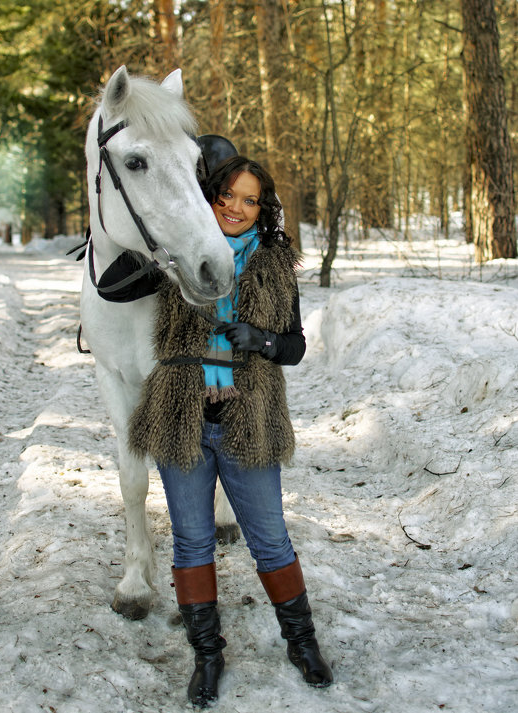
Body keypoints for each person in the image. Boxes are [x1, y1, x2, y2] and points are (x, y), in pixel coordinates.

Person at [129, 154, 332, 707]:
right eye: (227, 196)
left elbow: (294, 347)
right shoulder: (171, 255)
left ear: (262, 208)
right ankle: (207, 655)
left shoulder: (272, 262)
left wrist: (261, 340)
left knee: (270, 540)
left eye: (251, 200)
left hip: (251, 417)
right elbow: (112, 287)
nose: (238, 208)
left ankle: (302, 642)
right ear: (208, 197)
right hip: (180, 416)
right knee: (193, 541)